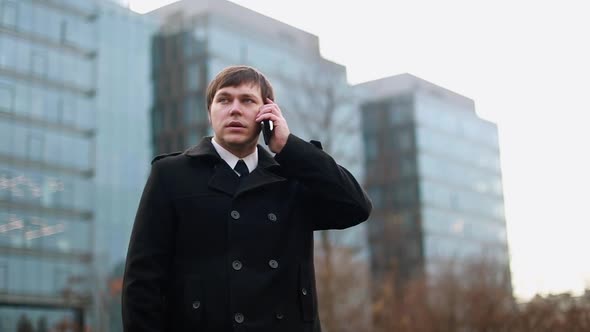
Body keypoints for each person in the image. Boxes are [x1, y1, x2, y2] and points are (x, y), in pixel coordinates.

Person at [122, 65, 372, 332]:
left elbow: (356, 207)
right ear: (210, 112)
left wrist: (289, 147)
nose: (235, 109)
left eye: (247, 100)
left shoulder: (292, 175)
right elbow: (142, 281)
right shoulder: (171, 175)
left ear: (266, 113)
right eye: (224, 99)